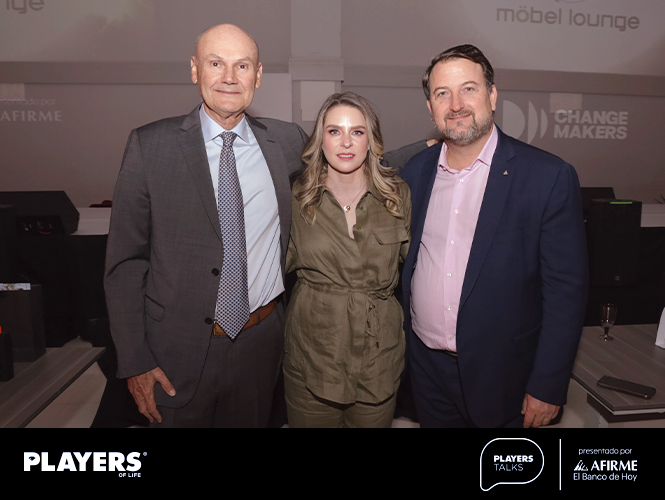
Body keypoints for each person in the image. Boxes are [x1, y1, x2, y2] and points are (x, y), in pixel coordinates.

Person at [104, 24, 309, 427]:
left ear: (258, 76)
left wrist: (431, 147)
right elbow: (125, 264)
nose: (229, 77)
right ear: (195, 70)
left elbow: (351, 161)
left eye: (242, 66)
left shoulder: (288, 142)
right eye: (216, 64)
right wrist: (134, 360)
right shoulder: (150, 145)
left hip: (260, 346)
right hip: (173, 352)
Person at [401, 44, 588, 428]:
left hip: (506, 378)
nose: (456, 104)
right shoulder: (415, 172)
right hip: (426, 371)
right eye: (442, 93)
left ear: (492, 95)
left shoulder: (547, 176)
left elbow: (566, 292)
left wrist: (548, 384)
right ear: (430, 107)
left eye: (468, 89)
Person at [284, 92, 416, 427]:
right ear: (321, 139)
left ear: (371, 140)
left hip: (378, 360)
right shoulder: (296, 197)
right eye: (334, 131)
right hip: (313, 356)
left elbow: (415, 268)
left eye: (357, 132)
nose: (346, 142)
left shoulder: (397, 196)